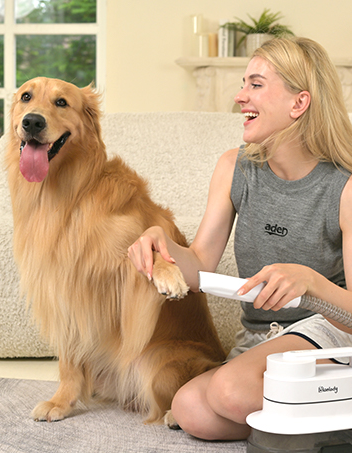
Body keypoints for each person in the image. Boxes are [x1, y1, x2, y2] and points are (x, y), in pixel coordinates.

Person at [127, 37, 352, 441]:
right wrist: (163, 241)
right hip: (260, 338)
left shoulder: (344, 188)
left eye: (255, 84)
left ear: (298, 104)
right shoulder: (235, 168)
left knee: (229, 391)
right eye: (243, 84)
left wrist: (312, 282)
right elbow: (199, 265)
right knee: (189, 408)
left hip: (326, 335)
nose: (239, 96)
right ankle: (318, 419)